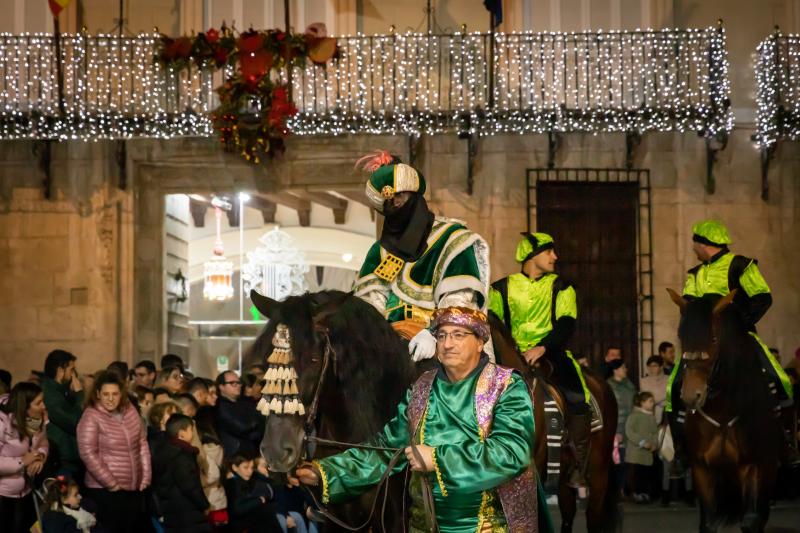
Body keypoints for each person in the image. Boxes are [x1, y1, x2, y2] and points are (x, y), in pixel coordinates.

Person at [293, 306, 546, 532]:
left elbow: (512, 453)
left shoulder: (506, 385)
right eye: (442, 335)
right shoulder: (423, 387)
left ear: (480, 342)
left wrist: (437, 458)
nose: (448, 344)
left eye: (459, 335)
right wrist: (324, 472)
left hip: (489, 526)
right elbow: (385, 449)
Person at [665, 219, 799, 467]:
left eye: (695, 242)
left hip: (740, 338)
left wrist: (738, 324)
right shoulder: (694, 274)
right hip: (705, 343)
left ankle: (788, 442)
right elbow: (690, 309)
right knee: (673, 388)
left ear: (704, 244)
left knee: (780, 381)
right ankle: (681, 451)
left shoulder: (741, 266)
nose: (693, 247)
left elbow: (762, 298)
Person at [352, 151, 490, 361]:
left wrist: (435, 333)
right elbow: (369, 306)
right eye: (389, 203)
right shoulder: (380, 251)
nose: (396, 204)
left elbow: (460, 300)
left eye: (401, 197)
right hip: (388, 347)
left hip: (442, 341)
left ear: (414, 197)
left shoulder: (452, 240)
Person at [488, 231, 591, 488]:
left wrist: (542, 348)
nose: (555, 257)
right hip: (510, 358)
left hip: (550, 354)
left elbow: (567, 323)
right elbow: (493, 324)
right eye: (549, 251)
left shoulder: (562, 286)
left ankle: (579, 462)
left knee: (578, 396)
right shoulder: (500, 288)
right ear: (531, 255)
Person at [77, 370, 152, 533]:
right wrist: (111, 483)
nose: (110, 398)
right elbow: (88, 453)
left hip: (133, 488)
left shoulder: (129, 410)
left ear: (121, 394)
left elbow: (141, 443)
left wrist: (145, 476)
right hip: (105, 491)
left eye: (115, 394)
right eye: (106, 394)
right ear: (98, 394)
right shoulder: (91, 416)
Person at [0, 382, 49, 533]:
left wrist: (40, 456)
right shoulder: (2, 422)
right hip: (3, 495)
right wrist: (22, 461)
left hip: (26, 491)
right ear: (25, 406)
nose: (44, 406)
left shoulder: (38, 419)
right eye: (38, 403)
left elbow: (43, 442)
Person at [151, 414, 211, 533]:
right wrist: (204, 505)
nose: (193, 434)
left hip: (173, 513)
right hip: (187, 513)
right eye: (191, 430)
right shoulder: (181, 455)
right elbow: (190, 486)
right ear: (182, 433)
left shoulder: (163, 451)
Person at [41, 349, 84, 478]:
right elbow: (76, 422)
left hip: (68, 458)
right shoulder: (50, 394)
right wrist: (79, 394)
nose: (74, 375)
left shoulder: (59, 391)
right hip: (62, 461)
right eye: (71, 370)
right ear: (60, 371)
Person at [224, 453, 282, 532]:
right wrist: (259, 500)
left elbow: (270, 480)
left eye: (251, 468)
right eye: (246, 467)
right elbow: (237, 509)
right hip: (240, 524)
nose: (250, 471)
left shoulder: (248, 477)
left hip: (252, 520)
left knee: (269, 511)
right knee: (266, 512)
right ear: (235, 467)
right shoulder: (232, 484)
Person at [215, 371, 265, 457]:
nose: (238, 385)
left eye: (239, 382)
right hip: (236, 456)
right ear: (221, 387)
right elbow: (243, 427)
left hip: (253, 451)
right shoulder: (220, 407)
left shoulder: (247, 402)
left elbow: (262, 422)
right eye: (233, 383)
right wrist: (258, 424)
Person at [195, 407, 228, 529]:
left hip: (210, 500)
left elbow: (211, 476)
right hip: (219, 498)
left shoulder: (205, 449)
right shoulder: (217, 445)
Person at [607, 359, 635, 496]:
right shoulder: (609, 385)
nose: (626, 370)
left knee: (626, 461)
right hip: (616, 428)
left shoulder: (629, 385)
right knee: (617, 461)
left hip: (629, 427)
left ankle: (623, 488)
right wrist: (616, 430)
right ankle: (616, 489)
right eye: (623, 367)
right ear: (616, 370)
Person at [625, 392, 658, 503]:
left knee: (645, 473)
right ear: (642, 403)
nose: (652, 404)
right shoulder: (634, 416)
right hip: (636, 452)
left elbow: (655, 432)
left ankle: (644, 493)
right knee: (637, 474)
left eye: (653, 401)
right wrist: (642, 442)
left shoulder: (651, 417)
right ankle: (636, 493)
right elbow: (629, 431)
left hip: (647, 453)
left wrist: (654, 444)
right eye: (650, 401)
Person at [639, 356, 668, 423]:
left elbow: (668, 398)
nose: (651, 369)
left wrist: (652, 401)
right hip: (647, 415)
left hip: (665, 416)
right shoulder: (643, 381)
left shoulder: (668, 380)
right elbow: (643, 399)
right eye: (649, 366)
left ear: (661, 367)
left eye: (654, 366)